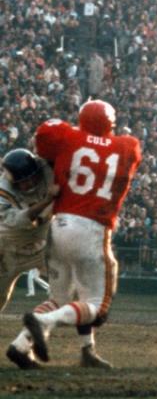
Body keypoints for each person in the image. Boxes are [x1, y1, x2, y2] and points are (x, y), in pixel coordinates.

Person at [9, 99, 141, 370]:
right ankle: (44, 322)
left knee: (58, 298)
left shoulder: (66, 136)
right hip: (92, 228)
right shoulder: (127, 145)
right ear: (110, 124)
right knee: (98, 305)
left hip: (59, 226)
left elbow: (44, 138)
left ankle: (22, 347)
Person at [0, 149, 57, 314]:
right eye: (24, 181)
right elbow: (18, 223)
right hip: (10, 246)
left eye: (33, 178)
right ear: (13, 181)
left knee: (68, 280)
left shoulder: (45, 167)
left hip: (44, 240)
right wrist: (47, 201)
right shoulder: (3, 189)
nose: (31, 183)